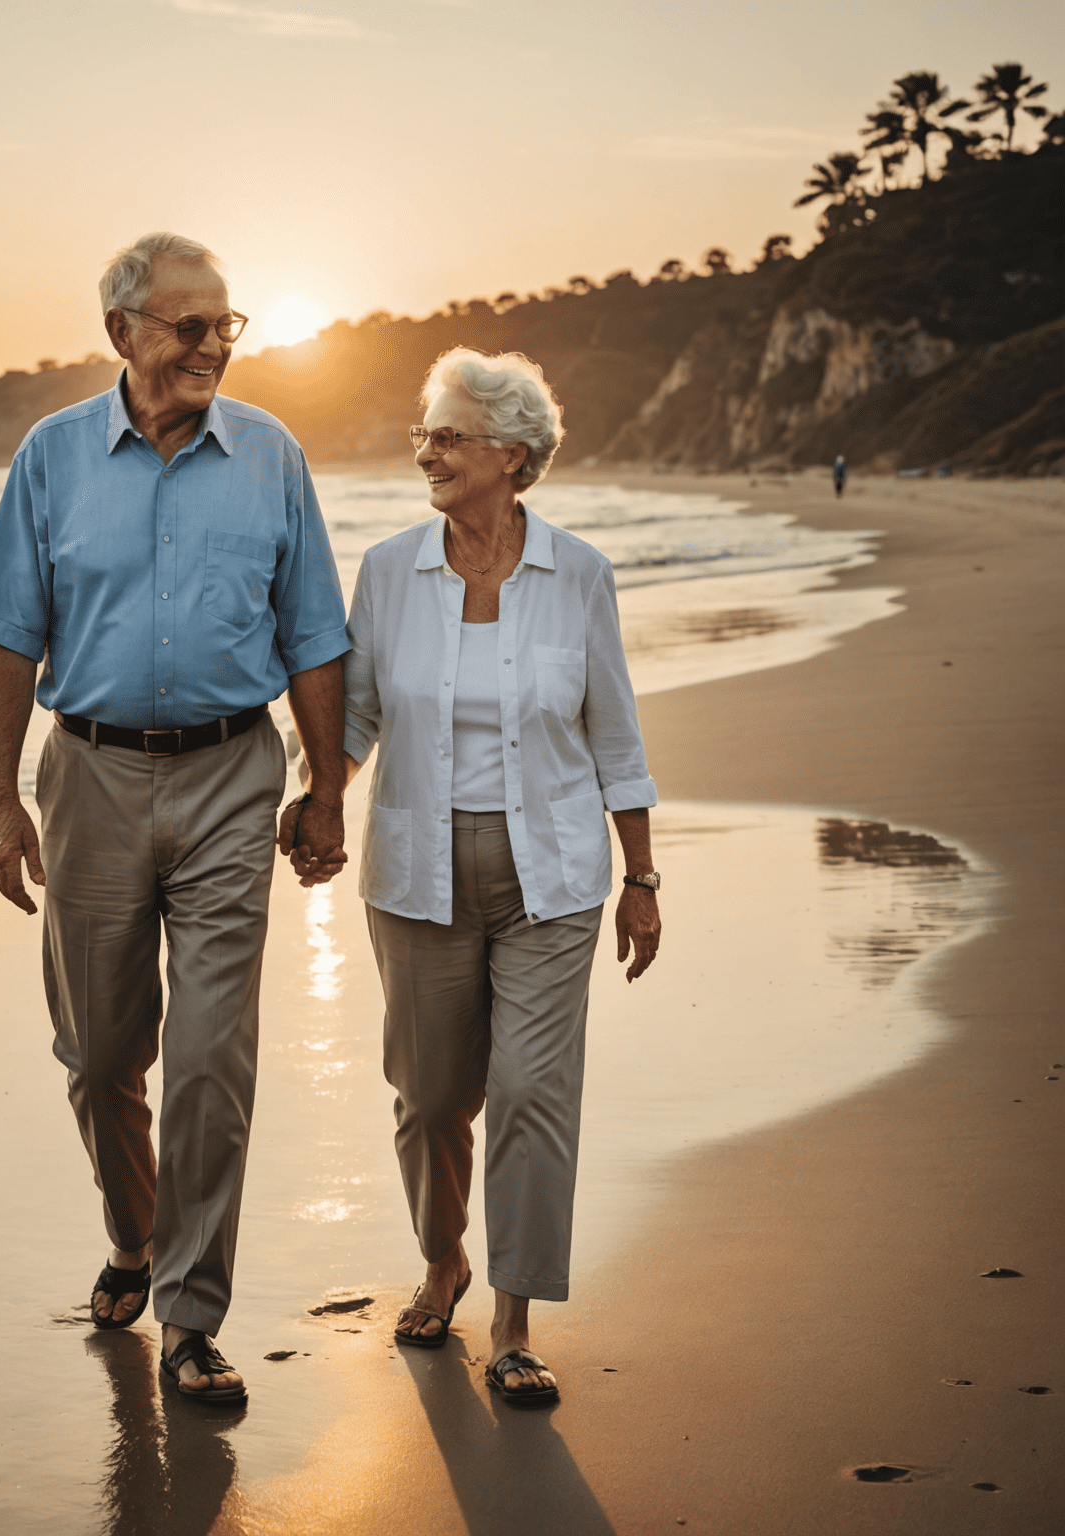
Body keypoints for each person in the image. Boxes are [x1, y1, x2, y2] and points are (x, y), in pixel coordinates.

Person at [0, 232, 350, 1406]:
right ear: (123, 331)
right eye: (187, 326)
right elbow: (10, 640)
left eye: (224, 326)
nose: (209, 348)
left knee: (211, 1063)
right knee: (97, 1058)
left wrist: (326, 788)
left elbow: (315, 639)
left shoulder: (273, 456)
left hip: (235, 775)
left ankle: (189, 1316)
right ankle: (134, 1237)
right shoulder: (52, 456)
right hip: (87, 777)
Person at [328, 347, 662, 1402]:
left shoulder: (580, 575)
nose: (426, 451)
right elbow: (357, 715)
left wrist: (643, 874)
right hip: (418, 872)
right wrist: (317, 789)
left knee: (529, 1092)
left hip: (554, 875)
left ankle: (512, 1322)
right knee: (430, 1097)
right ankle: (445, 1259)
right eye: (423, 433)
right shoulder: (388, 572)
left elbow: (615, 731)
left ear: (511, 455)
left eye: (448, 436)